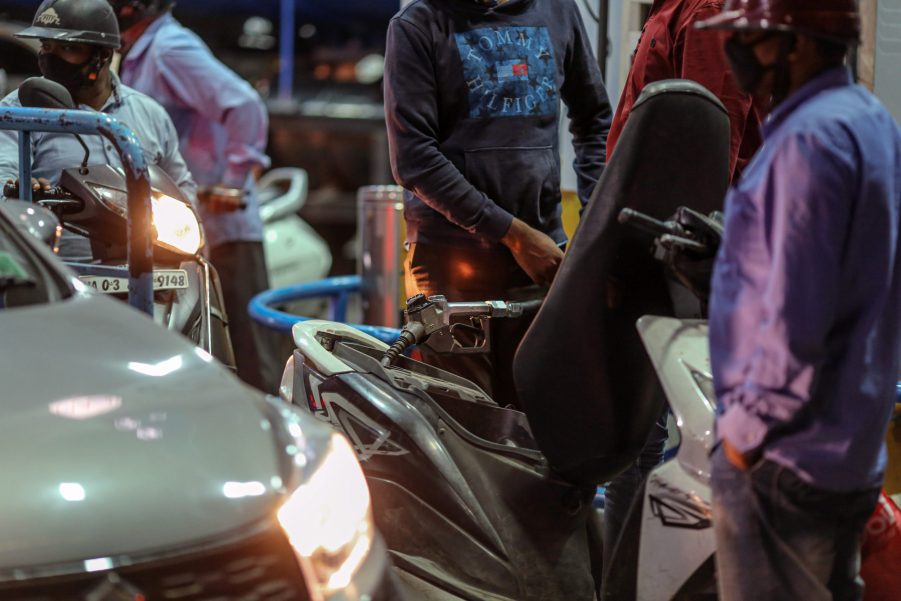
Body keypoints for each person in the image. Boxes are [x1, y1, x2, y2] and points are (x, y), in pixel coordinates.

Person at [696, 1, 901, 599]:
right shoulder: (871, 121)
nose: (737, 53)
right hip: (852, 448)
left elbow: (794, 321)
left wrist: (744, 435)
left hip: (788, 460)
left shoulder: (806, 145)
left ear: (803, 45)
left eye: (755, 40)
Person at [384, 0, 612, 407]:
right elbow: (415, 160)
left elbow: (594, 119)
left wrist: (594, 221)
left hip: (541, 257)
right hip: (450, 264)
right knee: (465, 425)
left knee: (542, 416)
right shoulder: (418, 23)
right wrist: (513, 234)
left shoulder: (557, 9)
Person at [601, 0, 764, 566]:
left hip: (680, 261)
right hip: (666, 252)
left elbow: (701, 159)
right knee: (638, 444)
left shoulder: (710, 9)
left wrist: (639, 263)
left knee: (642, 444)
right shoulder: (679, 7)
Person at [110, 0, 278, 391]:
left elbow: (246, 105)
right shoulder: (142, 51)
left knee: (250, 361)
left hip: (224, 231)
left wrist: (233, 182)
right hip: (184, 232)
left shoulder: (169, 48)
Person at [0, 0, 195, 262]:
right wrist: (22, 191)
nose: (50, 57)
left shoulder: (150, 114)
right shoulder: (18, 111)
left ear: (103, 54)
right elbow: (4, 174)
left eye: (68, 47)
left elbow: (181, 185)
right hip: (60, 276)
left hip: (149, 271)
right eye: (46, 46)